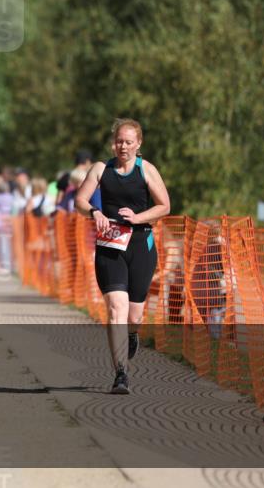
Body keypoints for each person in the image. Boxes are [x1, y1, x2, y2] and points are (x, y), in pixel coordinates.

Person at [75, 118, 170, 395]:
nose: (123, 146)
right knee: (116, 308)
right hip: (110, 247)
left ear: (138, 144)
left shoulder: (146, 169)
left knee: (134, 315)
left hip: (140, 246)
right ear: (112, 143)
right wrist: (95, 212)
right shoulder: (101, 169)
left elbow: (165, 206)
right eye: (119, 141)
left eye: (129, 142)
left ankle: (132, 334)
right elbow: (80, 201)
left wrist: (138, 217)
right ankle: (120, 373)